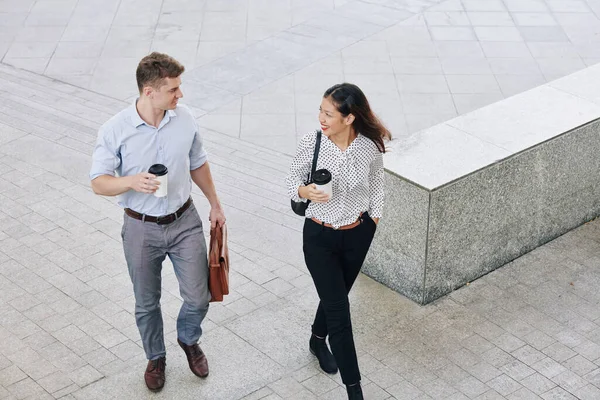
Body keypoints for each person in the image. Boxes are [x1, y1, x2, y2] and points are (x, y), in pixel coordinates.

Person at [89, 52, 226, 392]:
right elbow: (98, 182)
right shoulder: (115, 130)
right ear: (150, 92)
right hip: (140, 228)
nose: (180, 96)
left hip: (184, 221)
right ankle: (156, 357)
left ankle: (187, 337)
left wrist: (215, 204)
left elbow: (198, 163)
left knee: (199, 297)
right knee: (146, 302)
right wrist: (131, 181)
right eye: (174, 90)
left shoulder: (184, 118)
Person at [286, 83, 390, 400]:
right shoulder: (313, 142)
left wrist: (371, 222)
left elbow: (377, 188)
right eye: (321, 110)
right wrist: (304, 192)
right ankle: (354, 391)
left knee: (336, 296)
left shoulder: (369, 147)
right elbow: (291, 179)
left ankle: (318, 339)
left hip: (357, 234)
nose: (321, 117)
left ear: (349, 118)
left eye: (329, 113)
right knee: (340, 313)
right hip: (319, 237)